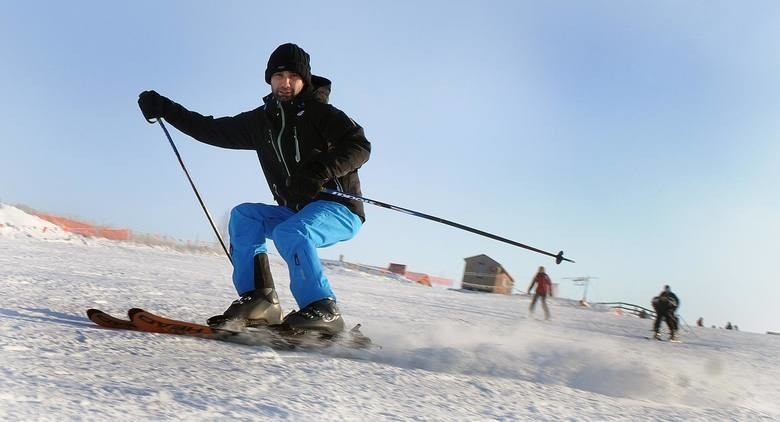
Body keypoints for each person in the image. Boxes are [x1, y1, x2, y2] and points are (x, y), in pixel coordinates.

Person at [137, 43, 371, 334]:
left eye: (293, 77)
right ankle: (260, 301)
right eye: (278, 76)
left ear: (305, 80)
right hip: (295, 210)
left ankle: (323, 308)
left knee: (291, 232)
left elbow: (359, 146)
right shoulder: (262, 122)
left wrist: (318, 171)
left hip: (338, 208)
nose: (285, 83)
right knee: (245, 216)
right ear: (269, 79)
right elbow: (210, 129)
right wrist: (167, 110)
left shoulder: (322, 114)